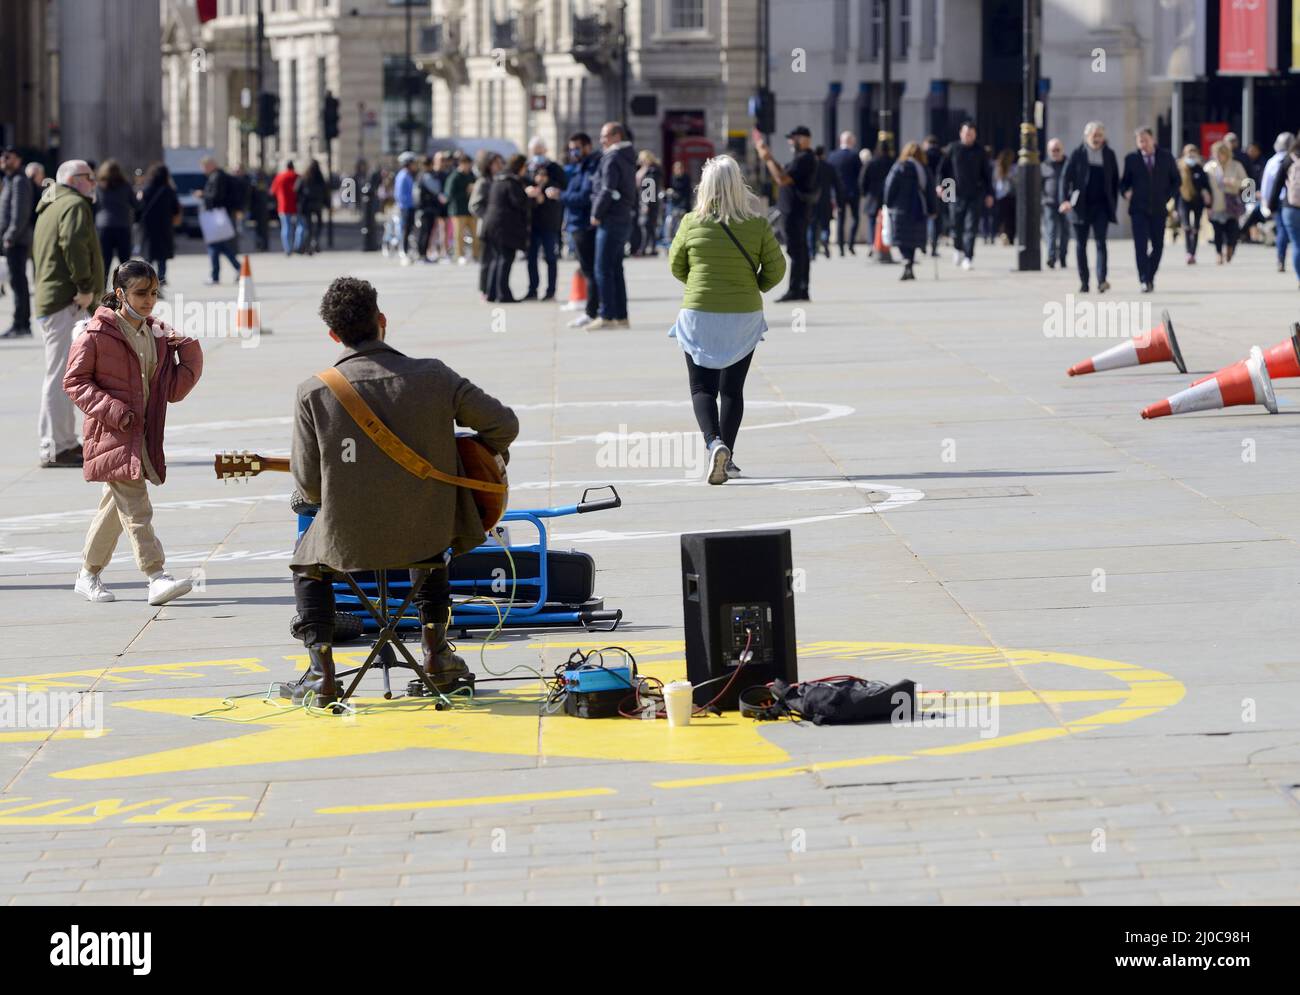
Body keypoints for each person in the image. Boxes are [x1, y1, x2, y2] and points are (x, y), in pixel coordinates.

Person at [287, 276, 518, 703]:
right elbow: (504, 424)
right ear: (382, 321)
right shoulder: (434, 375)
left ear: (334, 335)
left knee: (306, 561)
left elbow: (309, 488)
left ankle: (322, 674)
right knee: (431, 548)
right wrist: (465, 454)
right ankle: (436, 655)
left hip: (347, 544)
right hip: (428, 534)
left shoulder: (313, 392)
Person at [63, 259, 202, 606]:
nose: (149, 300)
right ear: (120, 293)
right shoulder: (95, 334)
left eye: (154, 293)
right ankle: (156, 575)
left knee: (117, 506)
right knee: (137, 505)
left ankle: (87, 573)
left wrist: (188, 348)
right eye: (141, 293)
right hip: (112, 432)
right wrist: (113, 410)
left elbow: (174, 389)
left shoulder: (155, 334)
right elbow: (74, 381)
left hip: (142, 433)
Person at [667, 155, 785, 484]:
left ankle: (713, 442)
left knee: (702, 387)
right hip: (743, 315)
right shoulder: (757, 223)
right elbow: (777, 269)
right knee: (733, 390)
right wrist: (755, 286)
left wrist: (697, 286)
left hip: (699, 312)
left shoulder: (691, 221)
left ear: (704, 187)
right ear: (738, 185)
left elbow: (675, 264)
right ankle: (728, 457)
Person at [32, 160, 103, 468]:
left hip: (56, 298)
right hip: (67, 299)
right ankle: (55, 447)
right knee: (62, 374)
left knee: (64, 373)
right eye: (90, 178)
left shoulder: (52, 204)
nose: (94, 183)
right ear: (76, 180)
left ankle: (64, 442)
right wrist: (85, 287)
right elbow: (73, 244)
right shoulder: (74, 204)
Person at [755, 125, 817, 302]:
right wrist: (770, 158)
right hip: (797, 210)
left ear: (804, 139)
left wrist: (767, 159)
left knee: (796, 250)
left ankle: (796, 289)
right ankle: (801, 288)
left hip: (794, 211)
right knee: (800, 250)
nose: (791, 141)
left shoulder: (805, 158)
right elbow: (784, 172)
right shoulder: (802, 158)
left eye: (794, 138)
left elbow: (782, 179)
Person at [587, 121, 637, 329]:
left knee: (602, 268)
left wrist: (596, 213)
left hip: (610, 218)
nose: (601, 140)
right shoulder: (627, 156)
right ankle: (621, 315)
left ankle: (606, 314)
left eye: (605, 136)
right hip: (623, 216)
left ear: (617, 137)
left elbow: (607, 188)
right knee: (616, 268)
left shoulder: (613, 157)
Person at [1060, 121, 1119, 293]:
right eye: (1094, 136)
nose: (1097, 139)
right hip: (1081, 206)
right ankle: (1084, 281)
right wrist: (1065, 200)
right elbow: (1065, 177)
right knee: (1081, 244)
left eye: (1100, 136)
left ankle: (1101, 280)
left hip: (1101, 206)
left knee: (1101, 243)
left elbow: (1114, 180)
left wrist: (1112, 204)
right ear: (1086, 137)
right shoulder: (1077, 154)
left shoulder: (1109, 154)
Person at [1119, 127, 1180, 293]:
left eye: (1145, 140)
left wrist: (1167, 197)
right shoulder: (1131, 159)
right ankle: (1144, 279)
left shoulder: (1166, 157)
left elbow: (1176, 180)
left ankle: (1150, 275)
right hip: (1138, 209)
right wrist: (1126, 192)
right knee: (1140, 246)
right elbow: (1124, 182)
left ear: (1153, 140)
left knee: (1158, 246)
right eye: (1140, 141)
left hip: (1159, 209)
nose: (1143, 144)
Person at [937, 121, 994, 269]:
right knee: (955, 225)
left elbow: (986, 174)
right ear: (961, 133)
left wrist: (989, 194)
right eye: (966, 133)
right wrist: (940, 186)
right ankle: (958, 249)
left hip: (975, 194)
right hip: (954, 193)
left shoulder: (980, 151)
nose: (968, 136)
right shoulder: (953, 149)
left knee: (971, 227)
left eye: (971, 134)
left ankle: (968, 257)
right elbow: (942, 170)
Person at [561, 132, 601, 328]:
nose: (573, 152)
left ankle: (592, 311)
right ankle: (596, 310)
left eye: (576, 147)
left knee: (590, 270)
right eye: (571, 148)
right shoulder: (580, 167)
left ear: (587, 146)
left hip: (584, 225)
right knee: (589, 269)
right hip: (575, 223)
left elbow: (584, 197)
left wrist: (560, 196)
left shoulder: (591, 168)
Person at [883, 142, 939, 282]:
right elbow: (930, 191)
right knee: (913, 238)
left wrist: (888, 203)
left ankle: (906, 260)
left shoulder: (898, 167)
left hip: (900, 208)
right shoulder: (924, 170)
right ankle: (910, 262)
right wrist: (933, 209)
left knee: (902, 238)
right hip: (919, 207)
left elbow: (889, 186)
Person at [481, 153, 530, 303]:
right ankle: (503, 294)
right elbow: (519, 203)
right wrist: (529, 196)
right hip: (504, 227)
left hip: (492, 225)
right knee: (505, 259)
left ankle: (492, 293)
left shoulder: (499, 179)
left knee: (497, 259)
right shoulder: (511, 182)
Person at [524, 140, 566, 298]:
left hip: (550, 220)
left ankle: (551, 290)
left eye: (540, 152)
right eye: (535, 152)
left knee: (550, 257)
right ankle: (532, 289)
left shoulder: (554, 168)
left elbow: (563, 186)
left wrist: (549, 186)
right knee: (531, 258)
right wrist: (529, 189)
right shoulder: (527, 168)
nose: (538, 155)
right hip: (532, 220)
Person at [0, 147, 35, 337]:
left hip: (16, 241)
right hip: (12, 240)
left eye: (8, 157)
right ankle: (21, 323)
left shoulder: (20, 181)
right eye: (2, 157)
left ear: (18, 160)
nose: (3, 160)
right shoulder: (10, 180)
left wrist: (10, 236)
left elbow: (20, 213)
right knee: (16, 282)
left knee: (18, 283)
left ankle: (21, 324)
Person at [135, 163, 180, 286]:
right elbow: (176, 209)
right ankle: (161, 277)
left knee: (148, 252)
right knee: (162, 254)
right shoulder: (169, 190)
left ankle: (148, 277)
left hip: (148, 226)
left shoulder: (145, 189)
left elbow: (138, 208)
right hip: (164, 225)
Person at [200, 155, 241, 283]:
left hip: (217, 216)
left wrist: (203, 195)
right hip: (219, 215)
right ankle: (233, 269)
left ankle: (216, 275)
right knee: (221, 246)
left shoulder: (217, 177)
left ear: (210, 165)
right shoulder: (217, 176)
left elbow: (216, 196)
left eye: (204, 167)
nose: (203, 170)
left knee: (215, 245)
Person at [1204, 140, 1246, 264]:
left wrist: (1234, 182)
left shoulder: (1236, 165)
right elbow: (1203, 185)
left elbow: (1247, 183)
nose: (1218, 156)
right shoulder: (1209, 167)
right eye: (1216, 153)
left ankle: (1230, 247)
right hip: (1215, 204)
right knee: (1217, 231)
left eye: (1221, 153)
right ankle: (1218, 253)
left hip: (1231, 204)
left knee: (1232, 230)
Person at [94, 159, 134, 286]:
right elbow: (136, 204)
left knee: (104, 262)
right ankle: (125, 290)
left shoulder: (99, 187)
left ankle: (102, 291)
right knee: (125, 263)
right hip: (122, 226)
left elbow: (94, 205)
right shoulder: (125, 185)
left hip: (103, 226)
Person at [1261, 132, 1295, 273]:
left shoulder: (1273, 161)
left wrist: (1266, 202)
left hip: (1280, 201)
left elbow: (1267, 185)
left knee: (1282, 230)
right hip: (1295, 200)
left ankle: (1281, 259)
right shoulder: (1295, 159)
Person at [470, 150, 501, 298]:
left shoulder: (499, 179)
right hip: (487, 227)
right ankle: (484, 289)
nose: (499, 166)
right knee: (486, 261)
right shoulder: (483, 182)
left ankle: (494, 288)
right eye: (496, 163)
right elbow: (474, 205)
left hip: (498, 227)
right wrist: (488, 217)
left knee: (497, 260)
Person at [1270, 137, 1300, 289]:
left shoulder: (1289, 159)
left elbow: (1276, 184)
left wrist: (1271, 205)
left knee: (1296, 243)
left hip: (1290, 206)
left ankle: (1299, 277)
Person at [827, 131, 861, 255]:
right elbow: (859, 175)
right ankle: (851, 244)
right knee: (855, 218)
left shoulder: (832, 156)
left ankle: (841, 248)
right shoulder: (854, 156)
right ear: (851, 141)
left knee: (840, 220)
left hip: (838, 192)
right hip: (853, 192)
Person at [1175, 144, 1211, 265]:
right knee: (1186, 227)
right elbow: (1175, 186)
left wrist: (1208, 200)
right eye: (1188, 152)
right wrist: (1174, 207)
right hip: (1183, 200)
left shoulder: (1199, 168)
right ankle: (1188, 252)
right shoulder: (1179, 167)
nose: (1191, 154)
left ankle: (1193, 253)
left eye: (1193, 152)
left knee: (1196, 228)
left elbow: (1205, 185)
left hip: (1197, 201)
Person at [860, 139, 894, 259]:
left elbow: (863, 179)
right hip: (887, 195)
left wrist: (864, 192)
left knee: (872, 221)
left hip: (873, 195)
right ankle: (885, 243)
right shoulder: (891, 162)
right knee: (887, 221)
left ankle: (872, 244)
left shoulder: (872, 162)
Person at [1039, 138, 1070, 269]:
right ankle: (1051, 257)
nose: (1055, 153)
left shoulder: (1068, 165)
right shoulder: (1044, 166)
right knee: (1051, 230)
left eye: (1058, 150)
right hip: (1049, 203)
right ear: (1048, 151)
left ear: (1062, 150)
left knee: (1065, 232)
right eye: (1053, 150)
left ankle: (1062, 257)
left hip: (1066, 204)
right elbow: (1039, 185)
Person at [808, 146, 840, 260]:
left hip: (811, 202)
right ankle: (824, 239)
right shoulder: (829, 167)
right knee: (825, 225)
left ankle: (812, 252)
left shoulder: (810, 167)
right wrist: (839, 201)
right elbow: (837, 185)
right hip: (826, 201)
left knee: (811, 227)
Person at [444, 153, 475, 264]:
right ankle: (460, 255)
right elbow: (449, 194)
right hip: (457, 210)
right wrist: (465, 191)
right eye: (467, 164)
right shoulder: (454, 176)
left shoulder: (471, 175)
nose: (468, 167)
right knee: (459, 234)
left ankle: (476, 255)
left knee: (475, 234)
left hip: (470, 210)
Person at [634, 150, 664, 256]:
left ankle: (644, 248)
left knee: (646, 225)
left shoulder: (652, 171)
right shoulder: (647, 170)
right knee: (649, 226)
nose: (640, 162)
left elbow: (649, 189)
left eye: (642, 160)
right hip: (646, 201)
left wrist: (646, 204)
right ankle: (651, 247)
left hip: (649, 203)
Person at [295, 159, 327, 256]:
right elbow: (325, 191)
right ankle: (314, 241)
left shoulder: (305, 177)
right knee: (319, 224)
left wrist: (300, 200)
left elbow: (296, 189)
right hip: (317, 204)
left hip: (307, 205)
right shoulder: (320, 177)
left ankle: (308, 245)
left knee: (309, 227)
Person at [664, 158, 694, 243]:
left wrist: (685, 206)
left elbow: (687, 194)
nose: (678, 170)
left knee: (681, 223)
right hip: (674, 204)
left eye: (680, 168)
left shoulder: (686, 178)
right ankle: (671, 240)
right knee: (670, 223)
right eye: (676, 168)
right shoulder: (673, 178)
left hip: (683, 204)